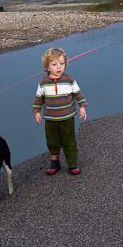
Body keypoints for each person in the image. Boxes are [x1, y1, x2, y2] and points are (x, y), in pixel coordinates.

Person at [33, 47, 88, 176]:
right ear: (47, 66)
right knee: (52, 142)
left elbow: (78, 94)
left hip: (67, 118)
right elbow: (38, 98)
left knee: (69, 141)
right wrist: (37, 112)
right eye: (54, 64)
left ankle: (72, 164)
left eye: (62, 64)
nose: (59, 67)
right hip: (50, 119)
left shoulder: (69, 80)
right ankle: (55, 162)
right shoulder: (43, 83)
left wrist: (82, 107)